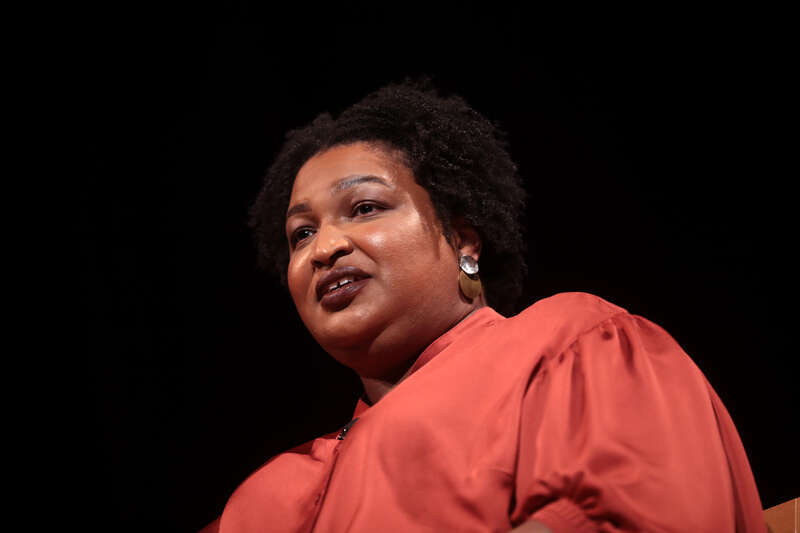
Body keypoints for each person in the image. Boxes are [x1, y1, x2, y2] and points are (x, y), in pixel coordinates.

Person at [201, 80, 766, 532]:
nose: (325, 248)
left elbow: (632, 510)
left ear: (463, 238)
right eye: (301, 234)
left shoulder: (568, 341)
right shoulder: (264, 497)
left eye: (366, 207)